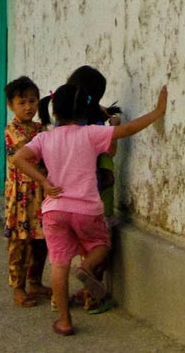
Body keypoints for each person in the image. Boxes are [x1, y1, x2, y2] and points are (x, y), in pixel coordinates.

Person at [14, 83, 167, 335]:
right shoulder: (91, 133)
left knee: (59, 265)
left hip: (54, 210)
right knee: (101, 246)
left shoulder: (44, 137)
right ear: (85, 111)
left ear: (54, 112)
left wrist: (43, 181)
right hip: (86, 209)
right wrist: (157, 111)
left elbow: (19, 158)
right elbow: (128, 129)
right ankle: (86, 267)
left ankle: (64, 321)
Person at [41, 65, 122, 313]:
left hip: (60, 199)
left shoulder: (61, 122)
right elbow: (110, 151)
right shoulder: (96, 125)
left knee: (61, 258)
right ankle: (92, 298)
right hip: (92, 195)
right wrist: (115, 126)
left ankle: (59, 301)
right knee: (94, 247)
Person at [3, 76, 51, 307]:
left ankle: (35, 281)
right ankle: (18, 287)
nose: (29, 107)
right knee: (19, 242)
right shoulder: (13, 130)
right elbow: (31, 154)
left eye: (33, 101)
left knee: (42, 241)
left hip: (40, 193)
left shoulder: (41, 128)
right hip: (21, 195)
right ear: (11, 105)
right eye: (22, 102)